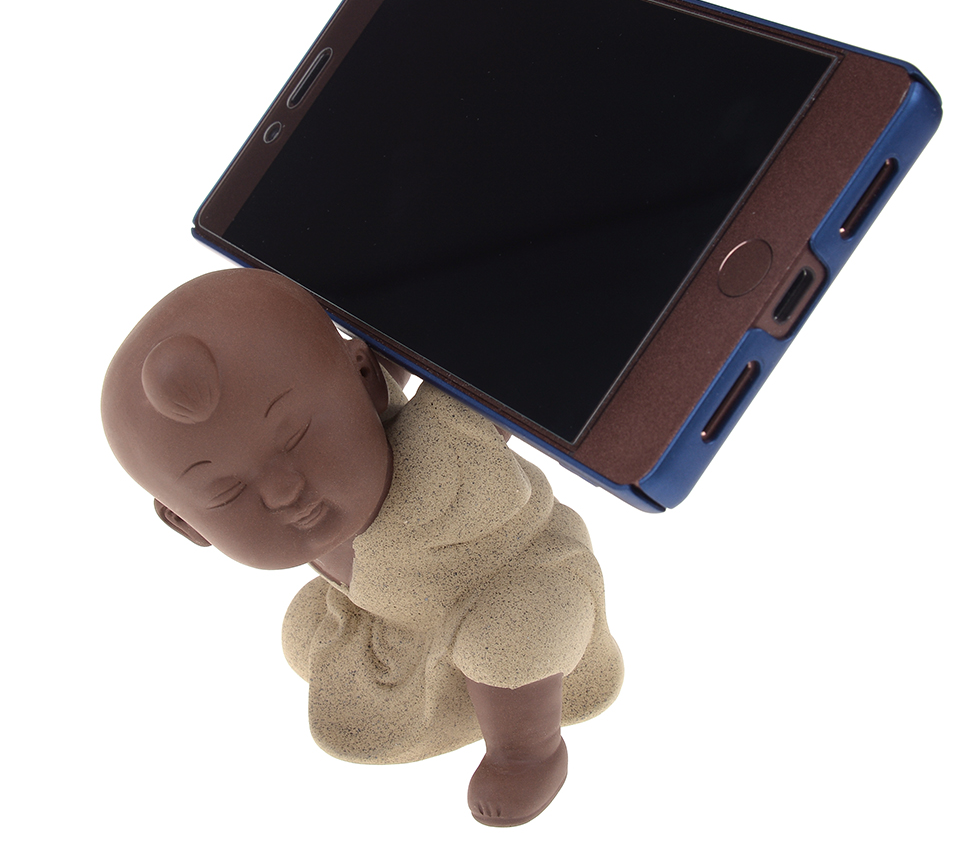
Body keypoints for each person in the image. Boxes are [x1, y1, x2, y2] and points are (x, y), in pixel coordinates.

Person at [102, 268, 622, 826]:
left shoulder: (442, 445)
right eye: (228, 493)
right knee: (305, 639)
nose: (282, 492)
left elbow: (495, 359)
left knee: (509, 636)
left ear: (364, 378)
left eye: (296, 438)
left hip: (519, 577)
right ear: (187, 526)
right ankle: (458, 694)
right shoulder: (316, 497)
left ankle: (528, 750)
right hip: (401, 618)